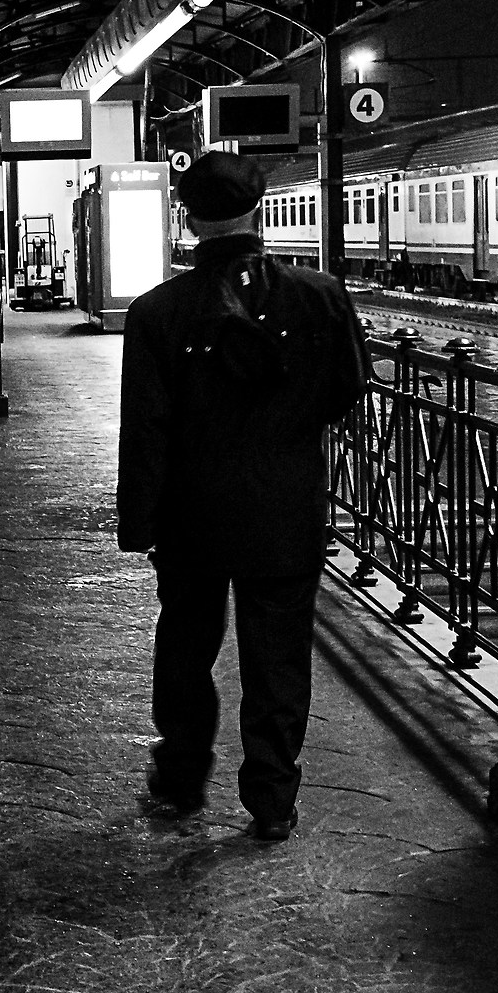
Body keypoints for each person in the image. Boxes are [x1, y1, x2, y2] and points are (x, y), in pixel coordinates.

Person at [115, 151, 369, 842]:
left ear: (188, 219)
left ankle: (181, 777)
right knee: (278, 655)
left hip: (192, 516)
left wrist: (138, 523)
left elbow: (145, 429)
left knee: (186, 649)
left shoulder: (157, 312)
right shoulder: (319, 295)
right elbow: (347, 388)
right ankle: (271, 800)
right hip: (286, 512)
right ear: (259, 210)